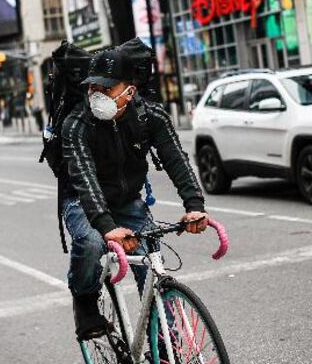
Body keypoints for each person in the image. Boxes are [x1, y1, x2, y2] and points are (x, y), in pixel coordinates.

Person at [61, 48, 210, 341]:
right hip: (82, 200)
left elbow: (176, 159)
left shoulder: (151, 116)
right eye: (93, 86)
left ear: (129, 91)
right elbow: (85, 179)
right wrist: (106, 227)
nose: (96, 94)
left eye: (106, 87)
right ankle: (85, 302)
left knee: (152, 266)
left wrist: (194, 205)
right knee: (91, 242)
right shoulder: (76, 124)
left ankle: (167, 345)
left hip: (128, 202)